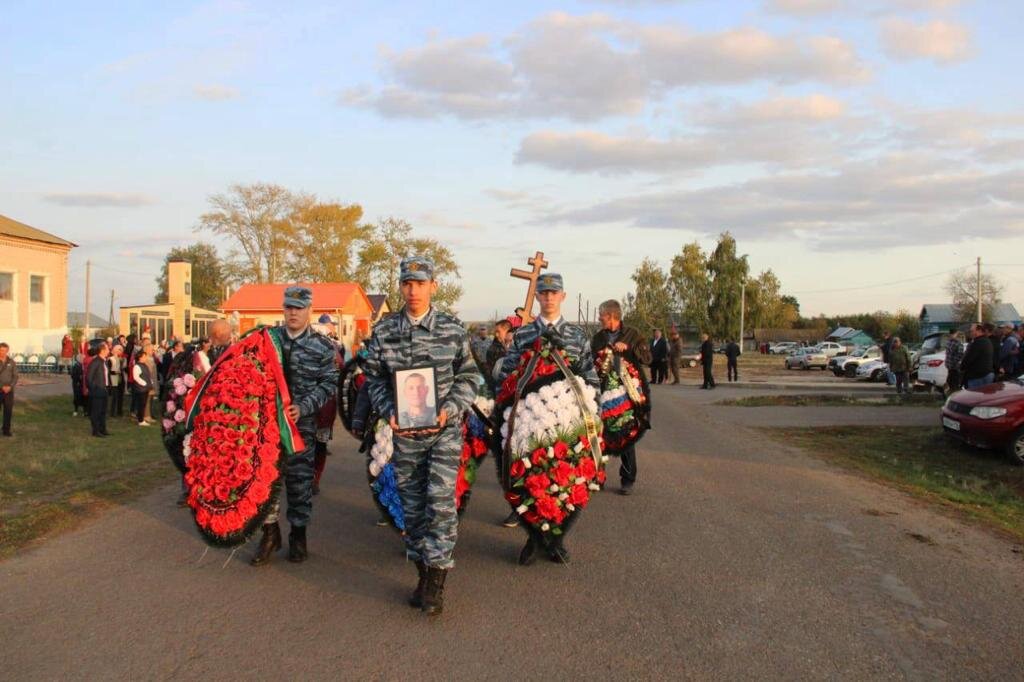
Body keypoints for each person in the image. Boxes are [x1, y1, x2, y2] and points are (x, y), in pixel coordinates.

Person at [364, 257, 479, 616]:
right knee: (411, 512)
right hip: (406, 436)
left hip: (443, 432)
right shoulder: (384, 331)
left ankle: (436, 584)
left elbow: (471, 377)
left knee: (441, 504)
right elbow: (374, 380)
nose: (413, 291)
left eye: (420, 283)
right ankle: (423, 572)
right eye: (406, 284)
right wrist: (389, 411)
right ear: (400, 286)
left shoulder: (452, 329)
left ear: (434, 285)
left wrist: (452, 407)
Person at [498, 272, 600, 566]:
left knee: (565, 480)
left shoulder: (577, 336)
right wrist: (504, 409)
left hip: (568, 423)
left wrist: (594, 412)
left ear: (563, 296)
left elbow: (590, 375)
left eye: (554, 293)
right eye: (543, 293)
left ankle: (556, 539)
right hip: (530, 422)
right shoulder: (524, 335)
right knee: (532, 480)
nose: (548, 297)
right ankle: (534, 538)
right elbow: (508, 374)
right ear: (538, 297)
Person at [250, 287, 339, 568]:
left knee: (299, 483)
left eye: (298, 308)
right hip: (268, 427)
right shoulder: (269, 341)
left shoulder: (323, 347)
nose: (292, 312)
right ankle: (269, 533)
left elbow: (329, 383)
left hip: (302, 426)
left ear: (309, 310)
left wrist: (305, 406)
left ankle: (298, 535)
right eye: (288, 307)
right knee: (266, 481)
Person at [591, 299, 652, 496]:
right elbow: (589, 362)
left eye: (602, 316)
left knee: (625, 434)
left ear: (612, 316)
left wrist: (630, 349)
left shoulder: (633, 334)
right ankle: (597, 477)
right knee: (599, 435)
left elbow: (648, 359)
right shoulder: (598, 337)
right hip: (602, 392)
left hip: (628, 394)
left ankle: (627, 479)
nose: (600, 319)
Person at [86, 342, 111, 437]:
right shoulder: (95, 361)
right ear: (103, 350)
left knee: (103, 411)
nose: (109, 350)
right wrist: (93, 389)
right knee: (96, 411)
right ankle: (95, 431)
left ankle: (102, 429)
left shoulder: (104, 361)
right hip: (97, 390)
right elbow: (89, 377)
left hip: (104, 389)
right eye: (107, 349)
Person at [960, 324, 994, 389]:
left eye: (972, 331)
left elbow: (968, 359)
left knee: (974, 398)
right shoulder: (987, 341)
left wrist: (961, 367)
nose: (971, 333)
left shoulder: (977, 343)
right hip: (987, 374)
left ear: (979, 331)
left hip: (977, 377)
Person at [484, 319, 513, 392]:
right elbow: (490, 373)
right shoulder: (493, 349)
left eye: (498, 332)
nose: (496, 335)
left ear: (508, 331)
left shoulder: (516, 346)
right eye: (495, 332)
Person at [131, 348, 154, 426]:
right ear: (140, 357)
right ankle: (140, 420)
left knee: (143, 404)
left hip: (145, 388)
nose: (146, 358)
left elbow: (147, 375)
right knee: (141, 404)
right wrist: (144, 383)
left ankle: (140, 418)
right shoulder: (137, 366)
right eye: (144, 356)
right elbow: (136, 377)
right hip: (141, 388)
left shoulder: (144, 365)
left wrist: (150, 382)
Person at [0, 342, 17, 436]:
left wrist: (10, 386)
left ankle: (6, 430)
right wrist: (2, 386)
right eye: (1, 350)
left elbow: (15, 376)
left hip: (9, 391)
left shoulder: (11, 362)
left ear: (7, 351)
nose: (3, 352)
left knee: (8, 411)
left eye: (5, 350)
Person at [944, 330, 964, 395]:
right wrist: (947, 364)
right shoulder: (948, 342)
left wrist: (953, 363)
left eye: (953, 334)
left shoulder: (958, 343)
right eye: (950, 334)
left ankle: (955, 396)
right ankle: (951, 395)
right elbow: (947, 354)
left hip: (955, 367)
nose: (951, 336)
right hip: (950, 367)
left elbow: (960, 355)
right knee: (950, 382)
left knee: (954, 383)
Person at [108, 345, 126, 418]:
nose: (121, 351)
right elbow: (108, 371)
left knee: (120, 396)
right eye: (119, 350)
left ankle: (119, 411)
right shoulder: (110, 359)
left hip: (121, 379)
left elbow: (123, 369)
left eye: (121, 350)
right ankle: (112, 412)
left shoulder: (122, 359)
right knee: (114, 397)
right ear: (115, 350)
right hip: (114, 379)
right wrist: (115, 372)